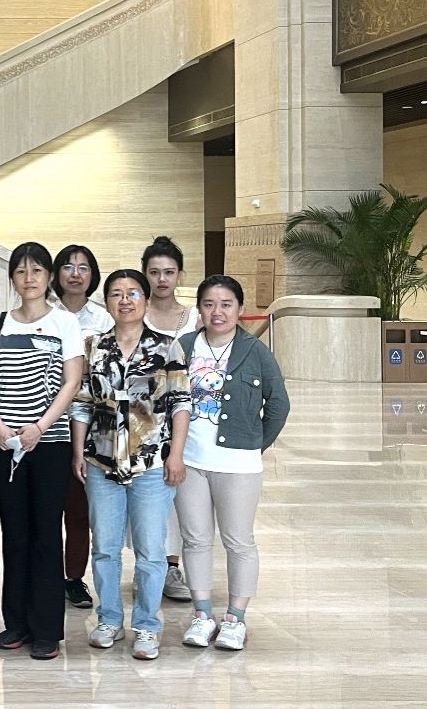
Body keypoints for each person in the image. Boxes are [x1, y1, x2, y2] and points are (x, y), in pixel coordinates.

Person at [70, 269, 191, 662]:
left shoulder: (167, 347)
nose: (125, 300)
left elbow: (180, 404)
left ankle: (147, 626)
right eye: (117, 294)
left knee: (151, 550)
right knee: (105, 548)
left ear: (145, 300)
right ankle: (109, 620)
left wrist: (176, 454)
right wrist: (78, 451)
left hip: (151, 463)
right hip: (102, 462)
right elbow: (82, 403)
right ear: (106, 302)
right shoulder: (94, 347)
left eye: (133, 293)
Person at [0, 242, 84, 660]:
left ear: (48, 276)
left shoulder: (64, 322)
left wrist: (40, 427)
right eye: (21, 271)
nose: (29, 278)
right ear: (13, 278)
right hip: (4, 445)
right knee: (14, 533)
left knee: (46, 534)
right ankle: (17, 623)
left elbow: (72, 381)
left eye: (37, 270)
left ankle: (46, 629)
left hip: (50, 444)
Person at [176, 275, 290, 652]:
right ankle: (201, 614)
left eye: (226, 304)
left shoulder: (255, 351)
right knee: (195, 539)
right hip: (189, 461)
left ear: (240, 309)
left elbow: (279, 404)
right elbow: (163, 399)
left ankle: (235, 618)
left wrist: (254, 444)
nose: (218, 312)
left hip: (239, 464)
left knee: (238, 541)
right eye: (209, 304)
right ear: (200, 308)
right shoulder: (184, 346)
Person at [51, 244, 112, 610]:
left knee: (78, 509)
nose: (75, 274)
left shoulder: (103, 318)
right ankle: (45, 576)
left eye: (83, 267)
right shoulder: (43, 311)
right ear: (56, 272)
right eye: (68, 266)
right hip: (44, 421)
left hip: (88, 424)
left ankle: (73, 578)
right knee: (45, 508)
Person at [141, 236, 199, 601]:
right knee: (145, 496)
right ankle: (148, 564)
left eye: (169, 272)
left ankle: (172, 565)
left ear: (179, 274)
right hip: (142, 422)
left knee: (179, 493)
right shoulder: (135, 311)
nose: (162, 279)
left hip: (184, 418)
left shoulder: (194, 317)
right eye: (154, 272)